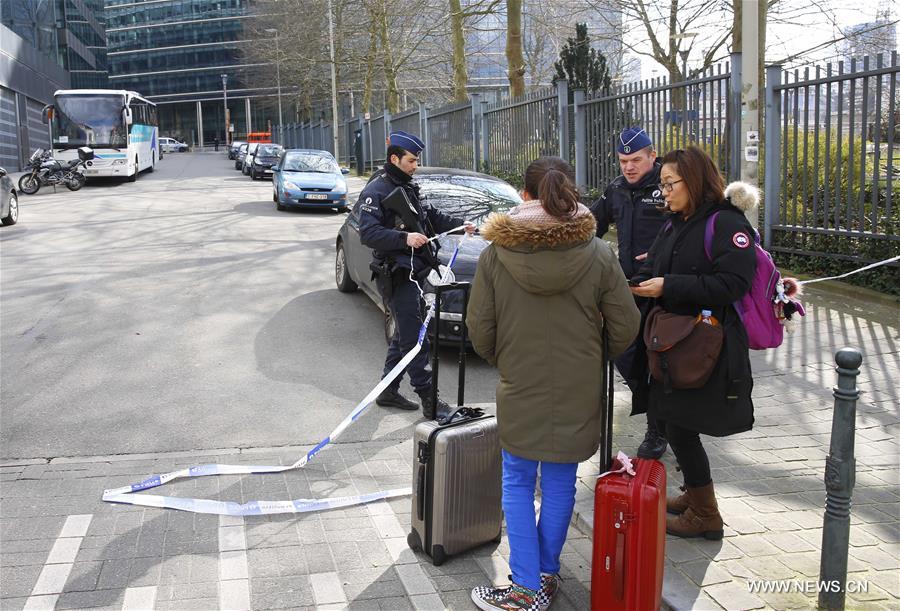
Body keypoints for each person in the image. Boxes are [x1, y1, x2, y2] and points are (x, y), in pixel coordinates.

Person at [467, 157, 640, 610]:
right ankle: (543, 576)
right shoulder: (599, 254)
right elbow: (626, 326)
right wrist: (591, 356)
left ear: (524, 195)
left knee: (518, 481)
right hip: (578, 385)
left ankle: (525, 587)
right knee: (561, 481)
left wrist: (507, 359)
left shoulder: (495, 255)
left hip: (519, 382)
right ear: (569, 195)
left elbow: (479, 329)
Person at [630, 146, 758, 539]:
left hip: (706, 346)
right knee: (673, 421)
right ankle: (697, 498)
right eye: (662, 184)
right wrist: (647, 273)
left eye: (670, 184)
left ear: (695, 180)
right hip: (675, 343)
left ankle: (705, 515)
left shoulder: (724, 223)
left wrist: (669, 283)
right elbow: (667, 264)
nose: (664, 192)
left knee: (681, 426)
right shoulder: (678, 220)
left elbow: (734, 283)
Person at [359, 130, 474, 419]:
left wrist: (462, 225)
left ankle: (388, 391)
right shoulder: (376, 190)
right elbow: (368, 232)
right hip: (397, 276)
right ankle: (430, 402)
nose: (415, 166)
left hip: (415, 271)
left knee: (404, 336)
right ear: (394, 158)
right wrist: (404, 239)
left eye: (417, 160)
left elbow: (429, 215)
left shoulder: (409, 186)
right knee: (416, 340)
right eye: (411, 160)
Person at [590, 127, 670, 460]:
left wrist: (659, 252)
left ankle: (658, 428)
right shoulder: (616, 189)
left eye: (636, 159)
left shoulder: (669, 186)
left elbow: (687, 228)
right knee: (623, 352)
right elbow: (591, 225)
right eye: (623, 161)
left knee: (659, 361)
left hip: (664, 290)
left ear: (652, 155)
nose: (629, 167)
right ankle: (651, 400)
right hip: (627, 289)